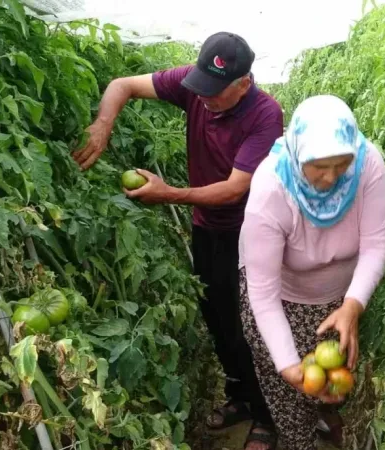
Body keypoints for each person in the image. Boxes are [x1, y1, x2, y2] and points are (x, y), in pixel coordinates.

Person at [71, 31, 283, 450]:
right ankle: (240, 397)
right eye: (201, 87)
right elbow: (123, 85)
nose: (204, 99)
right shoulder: (197, 86)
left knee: (251, 326)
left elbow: (235, 188)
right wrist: (103, 124)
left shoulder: (264, 114)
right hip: (207, 228)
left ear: (244, 82)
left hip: (252, 232)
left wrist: (168, 194)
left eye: (215, 92)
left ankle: (267, 416)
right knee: (217, 317)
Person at [238, 95, 385, 450]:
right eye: (319, 166)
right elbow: (262, 295)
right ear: (297, 154)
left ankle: (329, 420)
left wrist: (352, 306)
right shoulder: (270, 190)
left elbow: (376, 243)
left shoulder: (367, 164)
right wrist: (289, 365)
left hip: (339, 302)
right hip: (280, 305)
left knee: (333, 386)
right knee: (291, 404)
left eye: (341, 164)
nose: (331, 176)